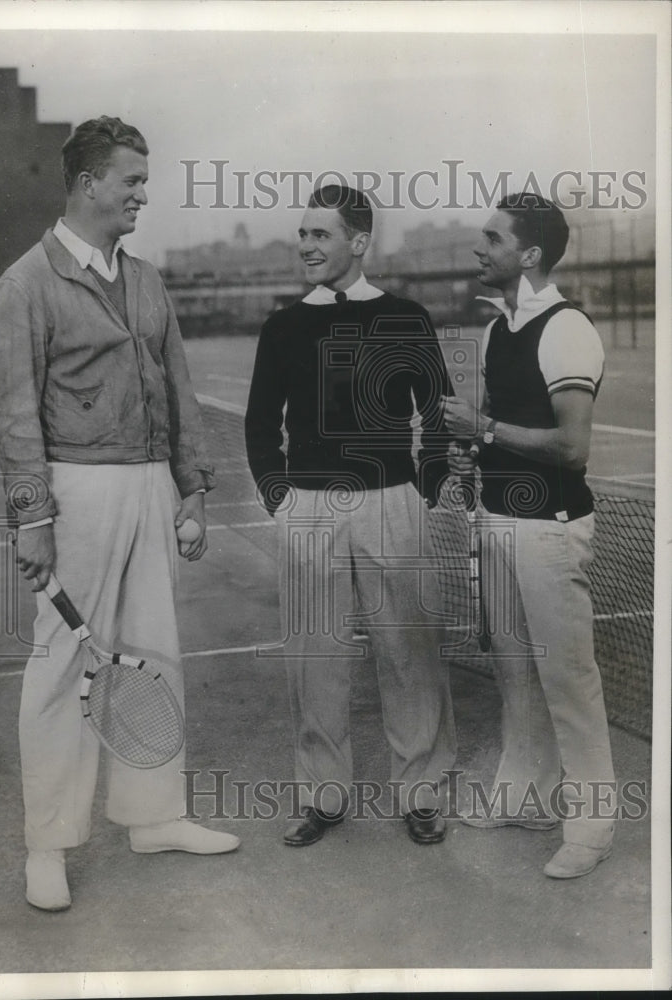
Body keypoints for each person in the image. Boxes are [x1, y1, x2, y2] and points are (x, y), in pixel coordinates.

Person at [0, 116, 239, 912]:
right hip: (74, 492)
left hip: (148, 488)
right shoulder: (25, 284)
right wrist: (32, 516)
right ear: (89, 183)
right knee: (64, 666)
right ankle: (48, 844)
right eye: (131, 179)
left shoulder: (147, 280)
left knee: (153, 656)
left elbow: (176, 388)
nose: (142, 193)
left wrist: (190, 489)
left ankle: (154, 816)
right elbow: (14, 412)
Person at [245, 185, 456, 847]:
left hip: (392, 504)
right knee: (315, 658)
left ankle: (419, 793)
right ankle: (323, 796)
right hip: (308, 509)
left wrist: (423, 485)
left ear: (358, 242)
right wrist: (280, 498)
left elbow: (437, 416)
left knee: (409, 656)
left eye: (320, 235)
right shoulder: (281, 326)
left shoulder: (405, 317)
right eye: (302, 234)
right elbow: (258, 426)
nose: (305, 245)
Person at [442, 192, 616, 879]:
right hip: (498, 522)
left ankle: (592, 824)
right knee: (515, 676)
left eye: (491, 238)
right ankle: (524, 797)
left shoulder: (567, 329)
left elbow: (571, 449)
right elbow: (498, 431)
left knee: (568, 682)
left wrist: (482, 432)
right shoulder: (496, 330)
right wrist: (472, 453)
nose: (477, 248)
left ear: (530, 254)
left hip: (550, 528)